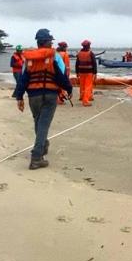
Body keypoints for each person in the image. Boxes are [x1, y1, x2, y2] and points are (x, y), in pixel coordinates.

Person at [13, 28, 73, 170]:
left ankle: (43, 145)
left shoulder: (28, 59)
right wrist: (68, 89)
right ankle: (36, 157)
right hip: (50, 96)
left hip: (33, 96)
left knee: (38, 122)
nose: (52, 44)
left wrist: (19, 96)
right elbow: (61, 75)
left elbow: (23, 79)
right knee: (43, 124)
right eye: (50, 41)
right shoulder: (54, 57)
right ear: (47, 42)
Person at [75, 39, 98, 107]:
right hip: (89, 72)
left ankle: (83, 97)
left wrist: (77, 72)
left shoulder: (79, 53)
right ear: (89, 46)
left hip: (81, 72)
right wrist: (95, 72)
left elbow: (77, 63)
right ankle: (85, 101)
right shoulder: (91, 53)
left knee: (82, 85)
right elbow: (94, 63)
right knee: (88, 86)